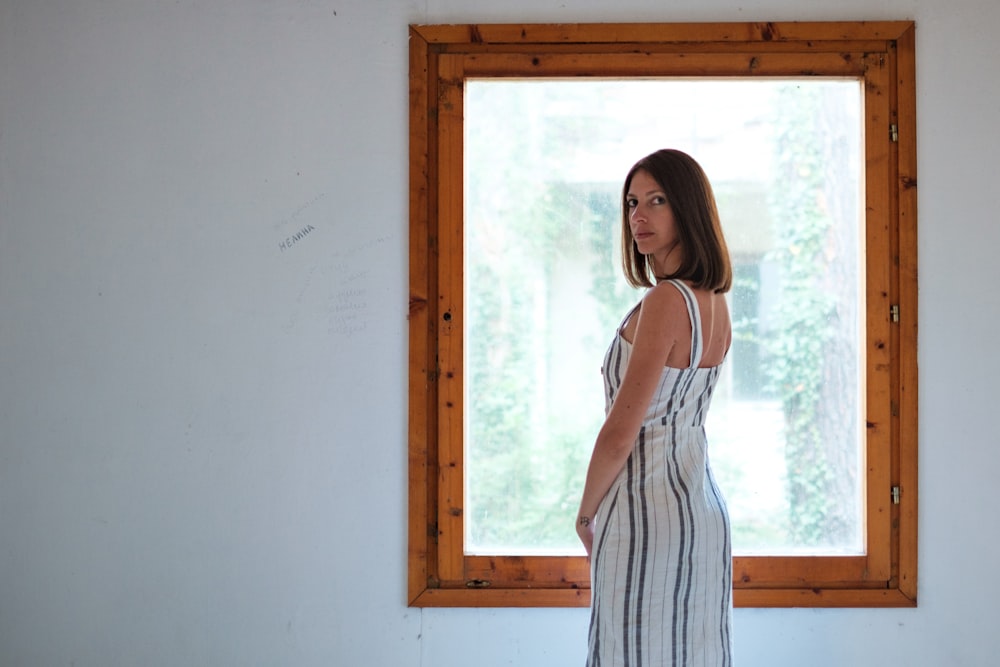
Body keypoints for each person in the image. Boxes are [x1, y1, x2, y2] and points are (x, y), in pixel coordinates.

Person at [576, 149, 733, 666]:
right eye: (631, 202)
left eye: (657, 200)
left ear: (687, 207)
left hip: (647, 513)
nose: (638, 216)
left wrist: (585, 511)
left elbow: (623, 430)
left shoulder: (667, 301)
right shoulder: (714, 301)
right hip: (700, 512)